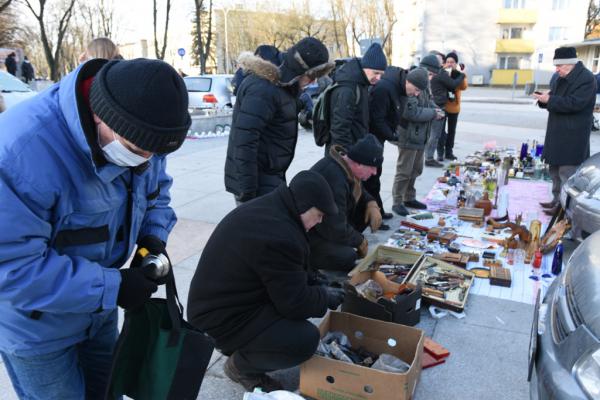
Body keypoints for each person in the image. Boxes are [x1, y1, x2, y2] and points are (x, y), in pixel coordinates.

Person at [0, 58, 191, 398]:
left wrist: (152, 239)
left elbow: (156, 192)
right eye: (136, 150)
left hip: (96, 312)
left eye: (155, 153)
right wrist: (113, 288)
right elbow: (11, 266)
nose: (146, 160)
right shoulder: (19, 153)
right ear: (99, 114)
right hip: (35, 328)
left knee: (108, 392)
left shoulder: (141, 127)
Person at [187, 170, 344, 392]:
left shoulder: (275, 208)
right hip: (220, 320)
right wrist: (323, 296)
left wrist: (316, 282)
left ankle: (249, 348)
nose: (320, 221)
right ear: (303, 206)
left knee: (296, 312)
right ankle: (241, 367)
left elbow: (284, 274)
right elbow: (295, 304)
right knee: (304, 340)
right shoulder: (280, 234)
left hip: (224, 303)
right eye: (318, 214)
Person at [224, 37, 333, 204]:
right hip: (256, 184)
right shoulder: (263, 89)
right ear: (298, 70)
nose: (313, 81)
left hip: (270, 178)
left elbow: (281, 111)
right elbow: (244, 142)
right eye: (311, 76)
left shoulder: (283, 86)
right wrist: (248, 192)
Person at [534, 46, 596, 215]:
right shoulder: (558, 77)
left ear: (570, 64)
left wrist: (550, 99)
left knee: (567, 172)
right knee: (553, 169)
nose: (557, 69)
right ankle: (556, 200)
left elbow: (575, 103)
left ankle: (564, 208)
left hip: (573, 133)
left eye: (559, 66)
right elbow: (554, 98)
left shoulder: (587, 78)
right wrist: (543, 99)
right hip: (556, 130)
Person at [309, 134, 384, 272]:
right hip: (309, 234)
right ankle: (313, 260)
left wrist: (371, 204)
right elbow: (335, 226)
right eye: (372, 167)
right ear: (359, 163)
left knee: (366, 211)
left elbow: (359, 190)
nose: (374, 172)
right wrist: (359, 240)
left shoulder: (345, 165)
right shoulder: (334, 178)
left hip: (327, 226)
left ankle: (342, 244)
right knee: (347, 257)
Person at [424, 51, 465, 167]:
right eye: (443, 60)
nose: (444, 62)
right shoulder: (440, 72)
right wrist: (462, 74)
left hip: (432, 103)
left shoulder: (433, 71)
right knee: (435, 134)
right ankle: (429, 158)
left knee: (434, 133)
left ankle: (430, 156)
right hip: (438, 105)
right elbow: (452, 85)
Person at [439, 52, 467, 160]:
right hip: (443, 106)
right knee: (441, 131)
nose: (450, 64)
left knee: (452, 131)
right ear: (444, 63)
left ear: (456, 63)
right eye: (448, 62)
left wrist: (461, 75)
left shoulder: (459, 74)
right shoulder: (442, 73)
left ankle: (449, 152)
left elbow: (464, 87)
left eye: (452, 62)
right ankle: (440, 152)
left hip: (454, 107)